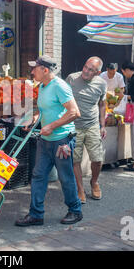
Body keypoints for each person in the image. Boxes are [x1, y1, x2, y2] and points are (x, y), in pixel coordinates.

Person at [15, 55, 83, 227]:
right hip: (45, 140)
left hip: (62, 141)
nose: (32, 72)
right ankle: (36, 215)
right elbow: (46, 110)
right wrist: (34, 119)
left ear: (45, 70)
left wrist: (52, 126)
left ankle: (75, 210)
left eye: (35, 68)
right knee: (38, 176)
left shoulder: (60, 86)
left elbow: (75, 112)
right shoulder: (43, 86)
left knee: (65, 177)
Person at [66, 57, 107, 204]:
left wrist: (102, 125)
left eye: (91, 70)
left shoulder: (102, 84)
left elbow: (102, 104)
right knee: (75, 159)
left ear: (98, 72)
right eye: (85, 67)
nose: (86, 71)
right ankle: (80, 189)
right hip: (74, 125)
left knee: (97, 158)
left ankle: (94, 182)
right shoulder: (71, 78)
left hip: (92, 125)